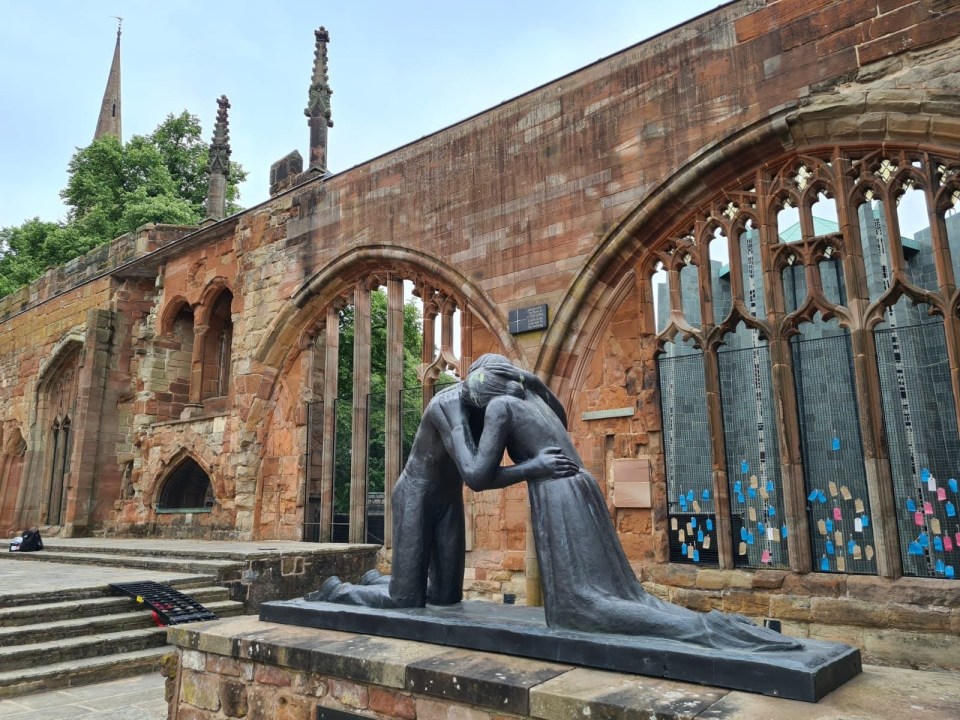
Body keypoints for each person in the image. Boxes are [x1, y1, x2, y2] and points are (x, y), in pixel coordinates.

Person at [442, 353, 800, 652]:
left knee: (579, 607)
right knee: (611, 595)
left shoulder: (500, 407)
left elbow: (478, 478)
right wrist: (533, 381)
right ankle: (706, 626)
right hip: (581, 488)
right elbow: (562, 421)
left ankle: (707, 629)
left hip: (558, 494)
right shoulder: (533, 399)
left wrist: (532, 466)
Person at [309, 381, 578, 608]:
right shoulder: (447, 405)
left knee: (446, 596)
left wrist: (532, 382)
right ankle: (336, 590)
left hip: (449, 500)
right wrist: (533, 468)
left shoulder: (492, 404)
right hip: (416, 496)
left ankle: (374, 580)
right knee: (404, 599)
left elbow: (557, 420)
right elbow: (475, 477)